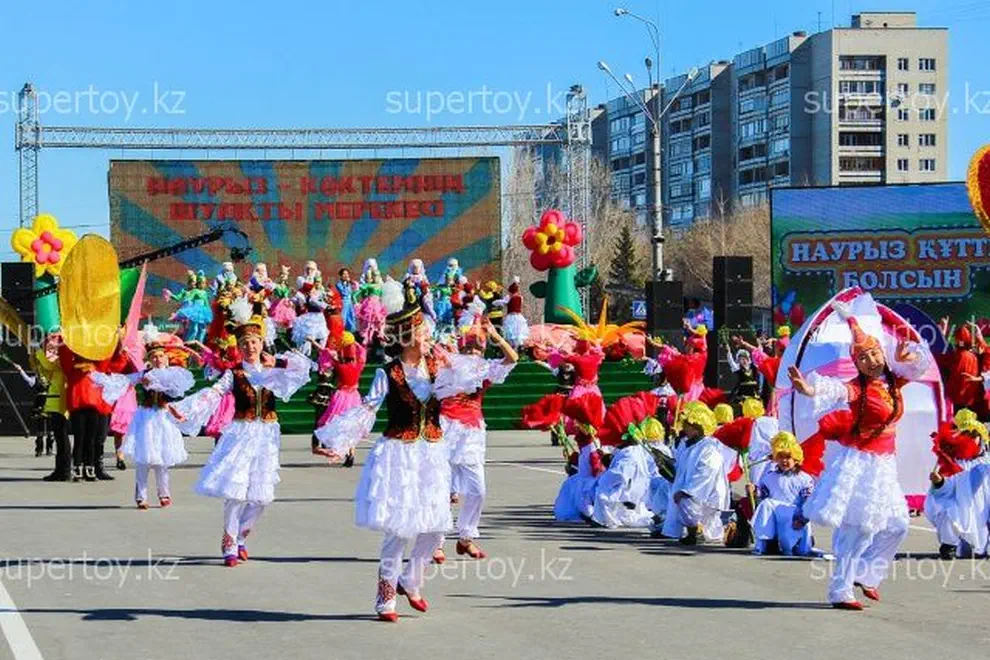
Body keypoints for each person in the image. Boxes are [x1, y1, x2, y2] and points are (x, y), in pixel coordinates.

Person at [316, 279, 453, 622]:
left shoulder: (438, 368)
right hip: (400, 454)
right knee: (400, 529)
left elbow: (464, 385)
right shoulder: (387, 373)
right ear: (407, 337)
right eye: (422, 333)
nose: (428, 338)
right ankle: (386, 596)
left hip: (432, 452)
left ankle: (411, 579)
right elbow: (367, 409)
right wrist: (341, 441)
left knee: (436, 527)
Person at [788, 297, 929, 610]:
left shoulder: (894, 379)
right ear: (857, 363)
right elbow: (835, 390)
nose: (870, 360)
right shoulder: (857, 388)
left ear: (881, 352)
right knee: (860, 529)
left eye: (874, 353)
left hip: (885, 466)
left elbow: (920, 366)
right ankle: (840, 591)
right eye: (862, 358)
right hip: (861, 464)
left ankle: (867, 574)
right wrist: (809, 390)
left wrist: (908, 355)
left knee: (898, 525)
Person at [174, 310, 309, 566]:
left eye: (254, 342)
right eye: (245, 342)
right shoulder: (233, 374)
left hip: (267, 435)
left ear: (262, 343)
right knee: (236, 491)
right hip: (241, 433)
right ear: (239, 346)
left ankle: (242, 535)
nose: (250, 346)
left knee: (262, 496)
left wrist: (280, 364)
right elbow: (212, 394)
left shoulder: (274, 369)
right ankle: (229, 542)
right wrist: (186, 410)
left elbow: (305, 368)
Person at [434, 317, 517, 560]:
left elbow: (513, 358)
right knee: (443, 490)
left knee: (477, 490)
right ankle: (436, 542)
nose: (471, 351)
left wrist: (495, 335)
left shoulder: (485, 369)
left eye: (476, 347)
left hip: (471, 433)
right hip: (446, 428)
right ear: (461, 348)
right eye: (468, 347)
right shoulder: (448, 364)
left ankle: (465, 537)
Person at [94, 325, 195, 509]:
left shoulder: (174, 375)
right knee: (144, 460)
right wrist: (103, 380)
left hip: (163, 419)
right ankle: (141, 496)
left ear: (167, 358)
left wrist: (161, 390)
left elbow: (174, 395)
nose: (157, 359)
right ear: (149, 359)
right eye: (154, 357)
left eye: (160, 356)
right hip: (146, 418)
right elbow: (123, 380)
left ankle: (164, 493)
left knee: (162, 460)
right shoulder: (143, 375)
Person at [60, 338, 133, 482]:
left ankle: (89, 468)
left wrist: (118, 344)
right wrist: (65, 338)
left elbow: (115, 362)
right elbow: (65, 355)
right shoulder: (72, 367)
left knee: (91, 439)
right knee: (80, 438)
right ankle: (78, 468)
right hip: (78, 405)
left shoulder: (98, 367)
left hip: (95, 406)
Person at [661, 401, 729, 545]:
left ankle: (696, 530)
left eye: (687, 425)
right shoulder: (687, 444)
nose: (683, 427)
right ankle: (686, 529)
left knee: (685, 501)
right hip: (693, 491)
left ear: (697, 428)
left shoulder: (709, 448)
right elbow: (679, 465)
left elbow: (705, 474)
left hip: (706, 495)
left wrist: (687, 491)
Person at [593, 393, 664, 529]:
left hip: (630, 496)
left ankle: (654, 520)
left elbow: (619, 475)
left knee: (606, 496)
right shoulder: (634, 450)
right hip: (635, 493)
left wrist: (605, 478)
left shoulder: (629, 454)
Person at [925, 415, 990, 559]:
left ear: (981, 438)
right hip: (961, 511)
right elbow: (946, 491)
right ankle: (949, 545)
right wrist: (939, 482)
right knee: (949, 512)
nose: (970, 439)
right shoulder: (952, 462)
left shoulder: (987, 462)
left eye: (974, 435)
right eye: (966, 435)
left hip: (982, 515)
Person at [749, 432, 816, 556]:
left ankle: (799, 541)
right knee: (766, 504)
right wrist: (754, 490)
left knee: (790, 550)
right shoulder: (769, 477)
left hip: (794, 516)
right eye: (780, 457)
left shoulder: (805, 479)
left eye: (788, 457)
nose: (784, 461)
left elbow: (809, 502)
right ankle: (763, 542)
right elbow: (762, 495)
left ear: (796, 459)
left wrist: (801, 520)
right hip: (774, 515)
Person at [311, 332, 368, 468]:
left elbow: (326, 352)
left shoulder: (340, 366)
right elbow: (363, 352)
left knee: (335, 421)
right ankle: (351, 453)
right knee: (351, 425)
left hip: (341, 396)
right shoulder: (359, 365)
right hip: (354, 396)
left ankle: (337, 448)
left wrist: (314, 343)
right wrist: (353, 343)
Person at [25, 334, 70, 480]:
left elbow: (49, 365)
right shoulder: (58, 361)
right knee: (59, 437)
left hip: (59, 402)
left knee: (61, 437)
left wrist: (38, 352)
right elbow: (46, 372)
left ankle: (64, 471)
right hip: (55, 401)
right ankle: (61, 469)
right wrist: (37, 356)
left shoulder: (62, 359)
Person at [499, 276, 529, 350]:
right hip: (519, 316)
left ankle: (512, 347)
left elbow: (502, 303)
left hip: (511, 316)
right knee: (518, 332)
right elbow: (522, 305)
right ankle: (519, 347)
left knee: (511, 331)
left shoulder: (509, 298)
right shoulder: (520, 297)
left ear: (510, 291)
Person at [337, 268, 357, 334]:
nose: (346, 275)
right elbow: (344, 292)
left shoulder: (349, 284)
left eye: (347, 274)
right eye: (344, 274)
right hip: (343, 303)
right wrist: (347, 284)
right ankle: (341, 332)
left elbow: (354, 291)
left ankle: (351, 333)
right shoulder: (338, 284)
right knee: (343, 317)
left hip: (350, 303)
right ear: (341, 275)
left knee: (351, 317)